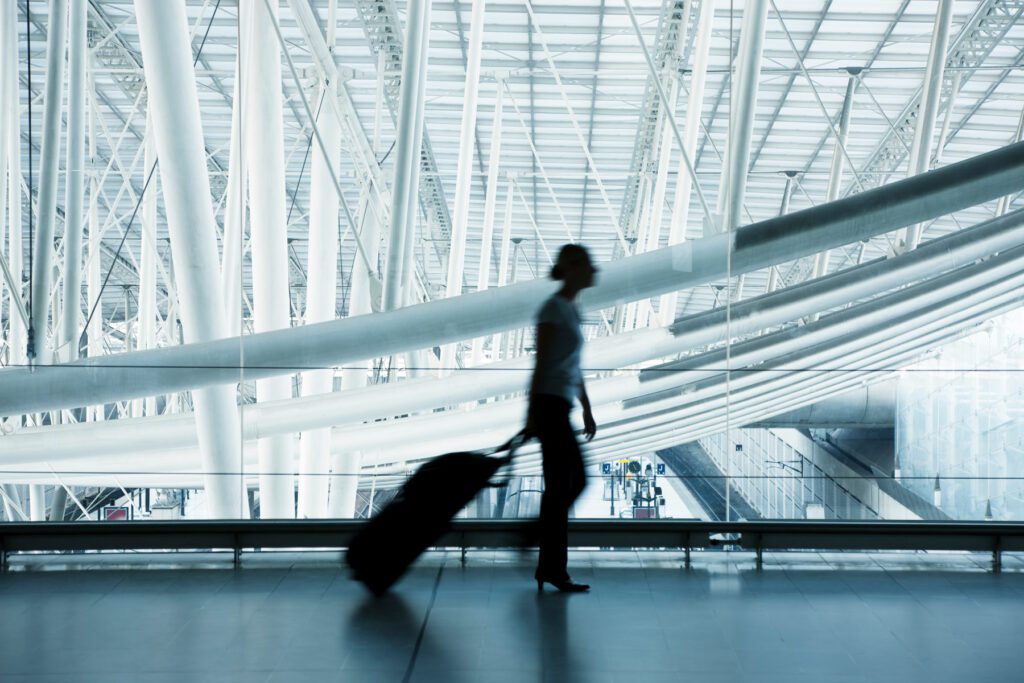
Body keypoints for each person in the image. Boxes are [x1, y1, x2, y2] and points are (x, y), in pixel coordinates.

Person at [526, 244, 598, 593]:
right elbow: (541, 363)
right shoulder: (552, 309)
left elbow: (573, 365)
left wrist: (586, 406)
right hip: (549, 406)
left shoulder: (571, 309)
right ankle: (549, 562)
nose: (593, 270)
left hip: (561, 406)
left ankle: (548, 564)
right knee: (569, 484)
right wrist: (532, 414)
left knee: (563, 487)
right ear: (570, 268)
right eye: (586, 264)